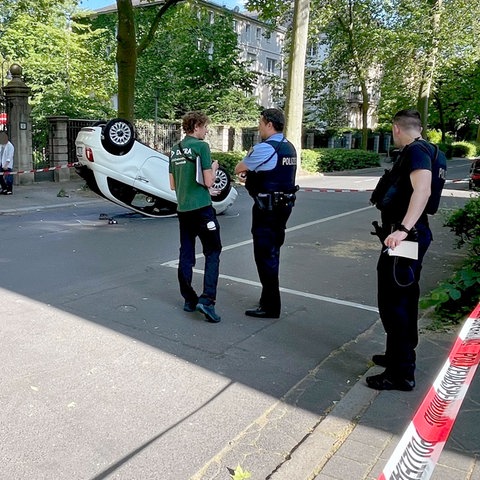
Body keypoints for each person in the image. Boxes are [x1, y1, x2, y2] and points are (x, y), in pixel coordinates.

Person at [367, 108, 446, 391]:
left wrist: (402, 229)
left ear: (396, 129)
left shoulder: (415, 152)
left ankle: (401, 372)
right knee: (402, 297)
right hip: (412, 235)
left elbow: (422, 190)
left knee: (396, 302)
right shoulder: (432, 150)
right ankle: (395, 356)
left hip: (406, 237)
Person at [234, 108, 298, 319]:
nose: (259, 127)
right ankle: (267, 298)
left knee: (264, 256)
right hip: (283, 208)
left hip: (267, 210)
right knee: (273, 253)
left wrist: (248, 175)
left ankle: (271, 306)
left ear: (269, 124)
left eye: (261, 123)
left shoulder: (264, 148)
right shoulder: (289, 148)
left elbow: (238, 168)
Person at [169, 111, 222, 323]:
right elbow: (209, 181)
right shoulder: (202, 147)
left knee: (187, 254)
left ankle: (189, 299)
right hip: (202, 208)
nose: (207, 130)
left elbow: (173, 185)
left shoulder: (174, 150)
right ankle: (207, 300)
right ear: (197, 126)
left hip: (183, 210)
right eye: (206, 126)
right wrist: (215, 169)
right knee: (213, 251)